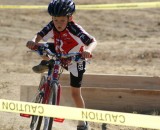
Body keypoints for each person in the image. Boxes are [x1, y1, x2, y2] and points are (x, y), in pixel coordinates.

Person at [26, 0, 97, 129]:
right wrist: (32, 41)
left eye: (62, 20)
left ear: (70, 18)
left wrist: (88, 50)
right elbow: (39, 35)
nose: (58, 23)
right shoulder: (52, 25)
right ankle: (47, 62)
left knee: (75, 93)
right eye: (55, 20)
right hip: (59, 51)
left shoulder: (75, 29)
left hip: (75, 59)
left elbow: (92, 41)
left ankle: (82, 122)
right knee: (39, 47)